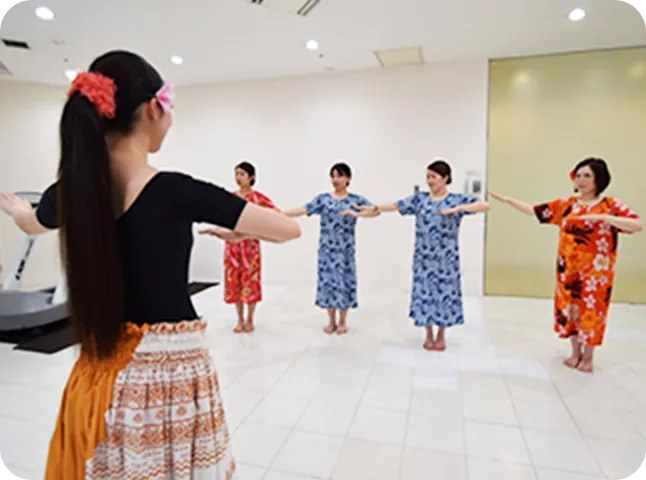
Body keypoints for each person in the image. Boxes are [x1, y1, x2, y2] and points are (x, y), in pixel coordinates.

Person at [0, 50, 300, 479]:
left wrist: (15, 209)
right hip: (167, 383)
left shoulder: (72, 190)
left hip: (96, 381)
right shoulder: (176, 191)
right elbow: (287, 230)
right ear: (152, 109)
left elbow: (31, 222)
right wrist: (240, 232)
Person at [490, 158, 641, 373]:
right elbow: (536, 211)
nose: (581, 180)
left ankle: (588, 357)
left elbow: (636, 225)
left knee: (592, 312)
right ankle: (575, 352)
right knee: (570, 310)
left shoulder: (610, 205)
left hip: (596, 275)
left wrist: (604, 217)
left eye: (587, 176)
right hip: (568, 271)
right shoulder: (568, 204)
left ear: (599, 179)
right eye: (578, 175)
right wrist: (508, 200)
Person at [352, 160, 489, 351]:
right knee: (425, 295)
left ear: (446, 178)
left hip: (446, 259)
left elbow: (484, 205)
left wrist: (459, 209)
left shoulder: (456, 200)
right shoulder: (420, 199)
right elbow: (397, 205)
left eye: (434, 177)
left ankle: (441, 334)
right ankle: (428, 334)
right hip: (423, 259)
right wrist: (375, 208)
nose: (429, 181)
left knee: (444, 295)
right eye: (427, 177)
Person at [284, 163, 378, 334]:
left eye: (339, 176)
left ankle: (342, 321)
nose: (335, 180)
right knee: (328, 283)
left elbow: (375, 211)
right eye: (333, 176)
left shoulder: (355, 200)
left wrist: (357, 213)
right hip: (326, 250)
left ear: (348, 178)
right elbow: (304, 209)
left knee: (343, 282)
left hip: (345, 251)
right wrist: (282, 214)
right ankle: (331, 321)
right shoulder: (323, 199)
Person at [200, 162, 277, 334]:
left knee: (251, 281)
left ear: (252, 177)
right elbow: (221, 217)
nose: (238, 177)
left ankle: (250, 319)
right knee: (234, 281)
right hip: (232, 246)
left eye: (242, 174)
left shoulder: (258, 198)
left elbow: (276, 213)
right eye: (236, 173)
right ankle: (240, 319)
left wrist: (263, 229)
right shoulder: (231, 198)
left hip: (250, 246)